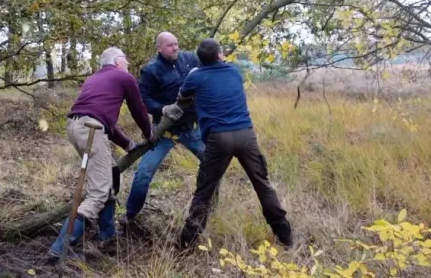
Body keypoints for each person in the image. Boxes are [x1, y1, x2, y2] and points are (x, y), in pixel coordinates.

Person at [177, 38, 292, 249]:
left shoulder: (196, 77)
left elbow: (181, 95)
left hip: (218, 138)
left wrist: (194, 75)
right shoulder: (234, 72)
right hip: (245, 135)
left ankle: (187, 242)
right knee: (263, 185)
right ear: (220, 55)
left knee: (204, 191)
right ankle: (285, 235)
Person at [48, 47, 153, 260]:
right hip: (92, 131)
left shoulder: (94, 79)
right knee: (98, 192)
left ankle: (107, 234)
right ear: (116, 61)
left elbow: (101, 118)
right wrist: (150, 134)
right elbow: (138, 109)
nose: (128, 64)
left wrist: (128, 144)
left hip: (76, 127)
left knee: (109, 175)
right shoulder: (123, 76)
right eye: (125, 59)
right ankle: (60, 247)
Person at [123, 32, 215, 225]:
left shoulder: (191, 59)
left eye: (176, 44)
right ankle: (130, 216)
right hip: (164, 131)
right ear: (159, 48)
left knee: (214, 162)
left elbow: (209, 72)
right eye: (170, 45)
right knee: (143, 174)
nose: (175, 48)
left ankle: (209, 207)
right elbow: (143, 99)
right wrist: (162, 108)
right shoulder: (151, 70)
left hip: (192, 129)